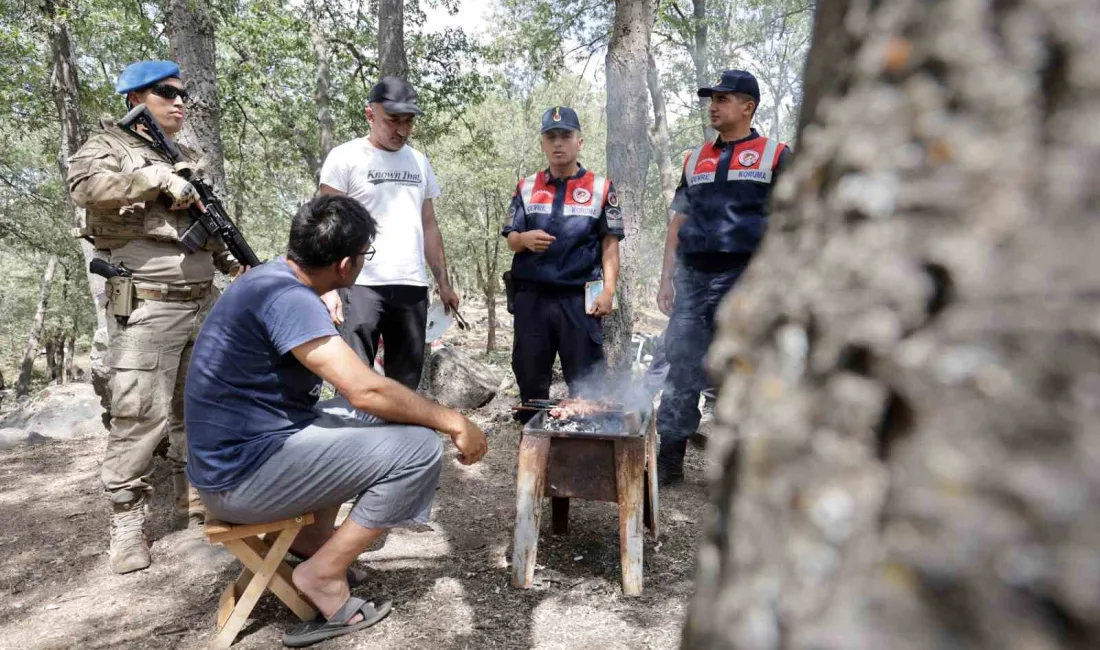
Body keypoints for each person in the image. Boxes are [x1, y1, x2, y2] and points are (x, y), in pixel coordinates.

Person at [185, 194, 488, 647]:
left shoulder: (273, 280)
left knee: (361, 418)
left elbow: (362, 397)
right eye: (366, 255)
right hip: (240, 480)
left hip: (236, 461)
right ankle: (322, 575)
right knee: (420, 449)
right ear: (346, 265)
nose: (365, 263)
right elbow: (363, 387)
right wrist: (453, 421)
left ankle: (312, 543)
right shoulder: (289, 299)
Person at [67, 60, 241, 574]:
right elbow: (86, 188)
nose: (179, 101)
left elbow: (207, 227)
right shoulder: (106, 147)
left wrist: (238, 265)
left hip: (202, 299)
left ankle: (201, 500)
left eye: (183, 93)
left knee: (204, 405)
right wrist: (154, 177)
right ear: (135, 100)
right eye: (166, 92)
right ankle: (126, 521)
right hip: (147, 303)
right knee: (140, 413)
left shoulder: (186, 155)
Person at [655, 70, 793, 485]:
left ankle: (738, 469)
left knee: (740, 370)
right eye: (711, 99)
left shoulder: (777, 155)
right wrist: (666, 278)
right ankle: (669, 462)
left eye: (724, 98)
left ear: (748, 107)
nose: (713, 106)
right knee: (681, 366)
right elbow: (679, 220)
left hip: (746, 277)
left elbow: (792, 221)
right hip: (693, 277)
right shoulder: (695, 158)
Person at [317, 76, 458, 390]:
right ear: (370, 115)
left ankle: (400, 439)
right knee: (353, 382)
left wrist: (443, 283)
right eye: (392, 120)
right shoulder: (345, 157)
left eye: (408, 121)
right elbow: (326, 224)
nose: (402, 130)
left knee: (404, 388)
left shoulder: (420, 163)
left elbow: (429, 226)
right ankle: (354, 440)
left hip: (411, 287)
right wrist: (326, 287)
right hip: (360, 285)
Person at [501, 106, 624, 416]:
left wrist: (608, 291)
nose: (558, 143)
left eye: (565, 136)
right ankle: (532, 451)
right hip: (532, 299)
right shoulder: (526, 187)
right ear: (543, 143)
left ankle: (583, 451)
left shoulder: (601, 188)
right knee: (530, 380)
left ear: (579, 142)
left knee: (586, 387)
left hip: (580, 299)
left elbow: (610, 244)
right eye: (551, 137)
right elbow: (511, 238)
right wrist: (524, 240)